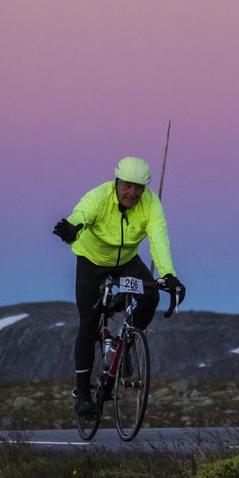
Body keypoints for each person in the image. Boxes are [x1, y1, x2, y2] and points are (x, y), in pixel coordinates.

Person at [53, 156, 185, 415]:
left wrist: (169, 275)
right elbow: (83, 213)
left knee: (150, 296)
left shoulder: (150, 204)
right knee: (89, 322)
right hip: (92, 260)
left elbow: (158, 238)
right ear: (117, 182)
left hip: (126, 261)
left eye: (139, 187)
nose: (133, 192)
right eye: (127, 185)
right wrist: (73, 227)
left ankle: (124, 346)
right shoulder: (99, 197)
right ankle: (82, 392)